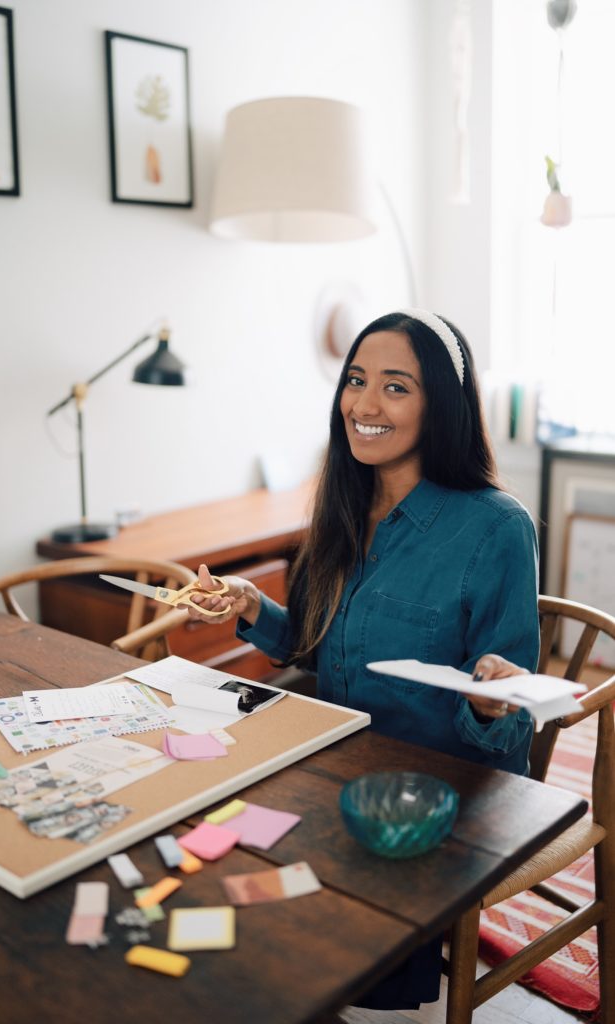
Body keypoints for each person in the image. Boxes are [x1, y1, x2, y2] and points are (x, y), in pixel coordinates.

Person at [187, 309, 539, 1011]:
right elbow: (319, 650)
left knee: (321, 947)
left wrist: (490, 699)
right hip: (336, 763)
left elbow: (511, 732)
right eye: (355, 380)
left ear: (441, 406)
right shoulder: (343, 503)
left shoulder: (496, 528)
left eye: (395, 387)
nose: (364, 405)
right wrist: (251, 606)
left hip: (442, 794)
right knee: (207, 859)